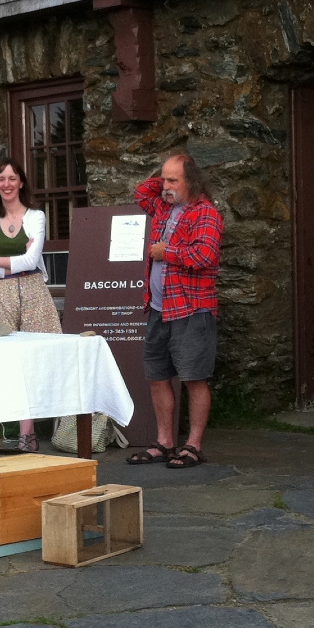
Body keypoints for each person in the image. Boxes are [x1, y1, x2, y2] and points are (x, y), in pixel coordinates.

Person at [127, 154, 222, 469]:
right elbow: (141, 192)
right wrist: (163, 178)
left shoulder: (206, 213)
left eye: (173, 180)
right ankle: (165, 442)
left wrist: (167, 252)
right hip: (158, 308)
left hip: (191, 310)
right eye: (164, 180)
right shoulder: (163, 206)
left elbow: (205, 255)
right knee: (157, 377)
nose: (165, 186)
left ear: (191, 181)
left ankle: (193, 445)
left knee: (194, 378)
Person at [0, 158, 61, 452]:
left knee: (37, 359)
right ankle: (13, 426)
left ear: (21, 182)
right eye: (1, 179)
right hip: (0, 294)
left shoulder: (36, 216)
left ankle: (29, 432)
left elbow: (30, 260)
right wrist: (11, 265)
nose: (7, 184)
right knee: (7, 361)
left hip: (35, 292)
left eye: (12, 178)